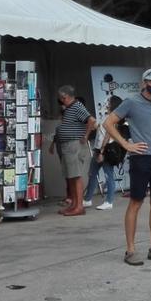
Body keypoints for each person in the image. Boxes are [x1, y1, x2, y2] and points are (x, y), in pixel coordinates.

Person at [104, 69, 151, 266]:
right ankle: (130, 250)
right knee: (136, 202)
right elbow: (108, 123)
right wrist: (126, 144)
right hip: (141, 158)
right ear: (144, 83)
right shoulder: (131, 102)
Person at [51, 85, 95, 217]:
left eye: (62, 98)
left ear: (65, 96)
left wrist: (85, 136)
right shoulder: (70, 108)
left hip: (74, 145)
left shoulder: (77, 106)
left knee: (76, 176)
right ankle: (74, 204)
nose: (61, 100)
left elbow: (91, 120)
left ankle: (79, 206)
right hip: (68, 145)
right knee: (70, 176)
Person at [84, 95, 126, 210]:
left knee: (108, 175)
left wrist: (102, 151)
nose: (106, 103)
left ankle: (109, 201)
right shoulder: (105, 116)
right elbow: (98, 127)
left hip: (107, 149)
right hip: (99, 149)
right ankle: (87, 199)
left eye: (108, 101)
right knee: (92, 174)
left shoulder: (114, 118)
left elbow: (108, 135)